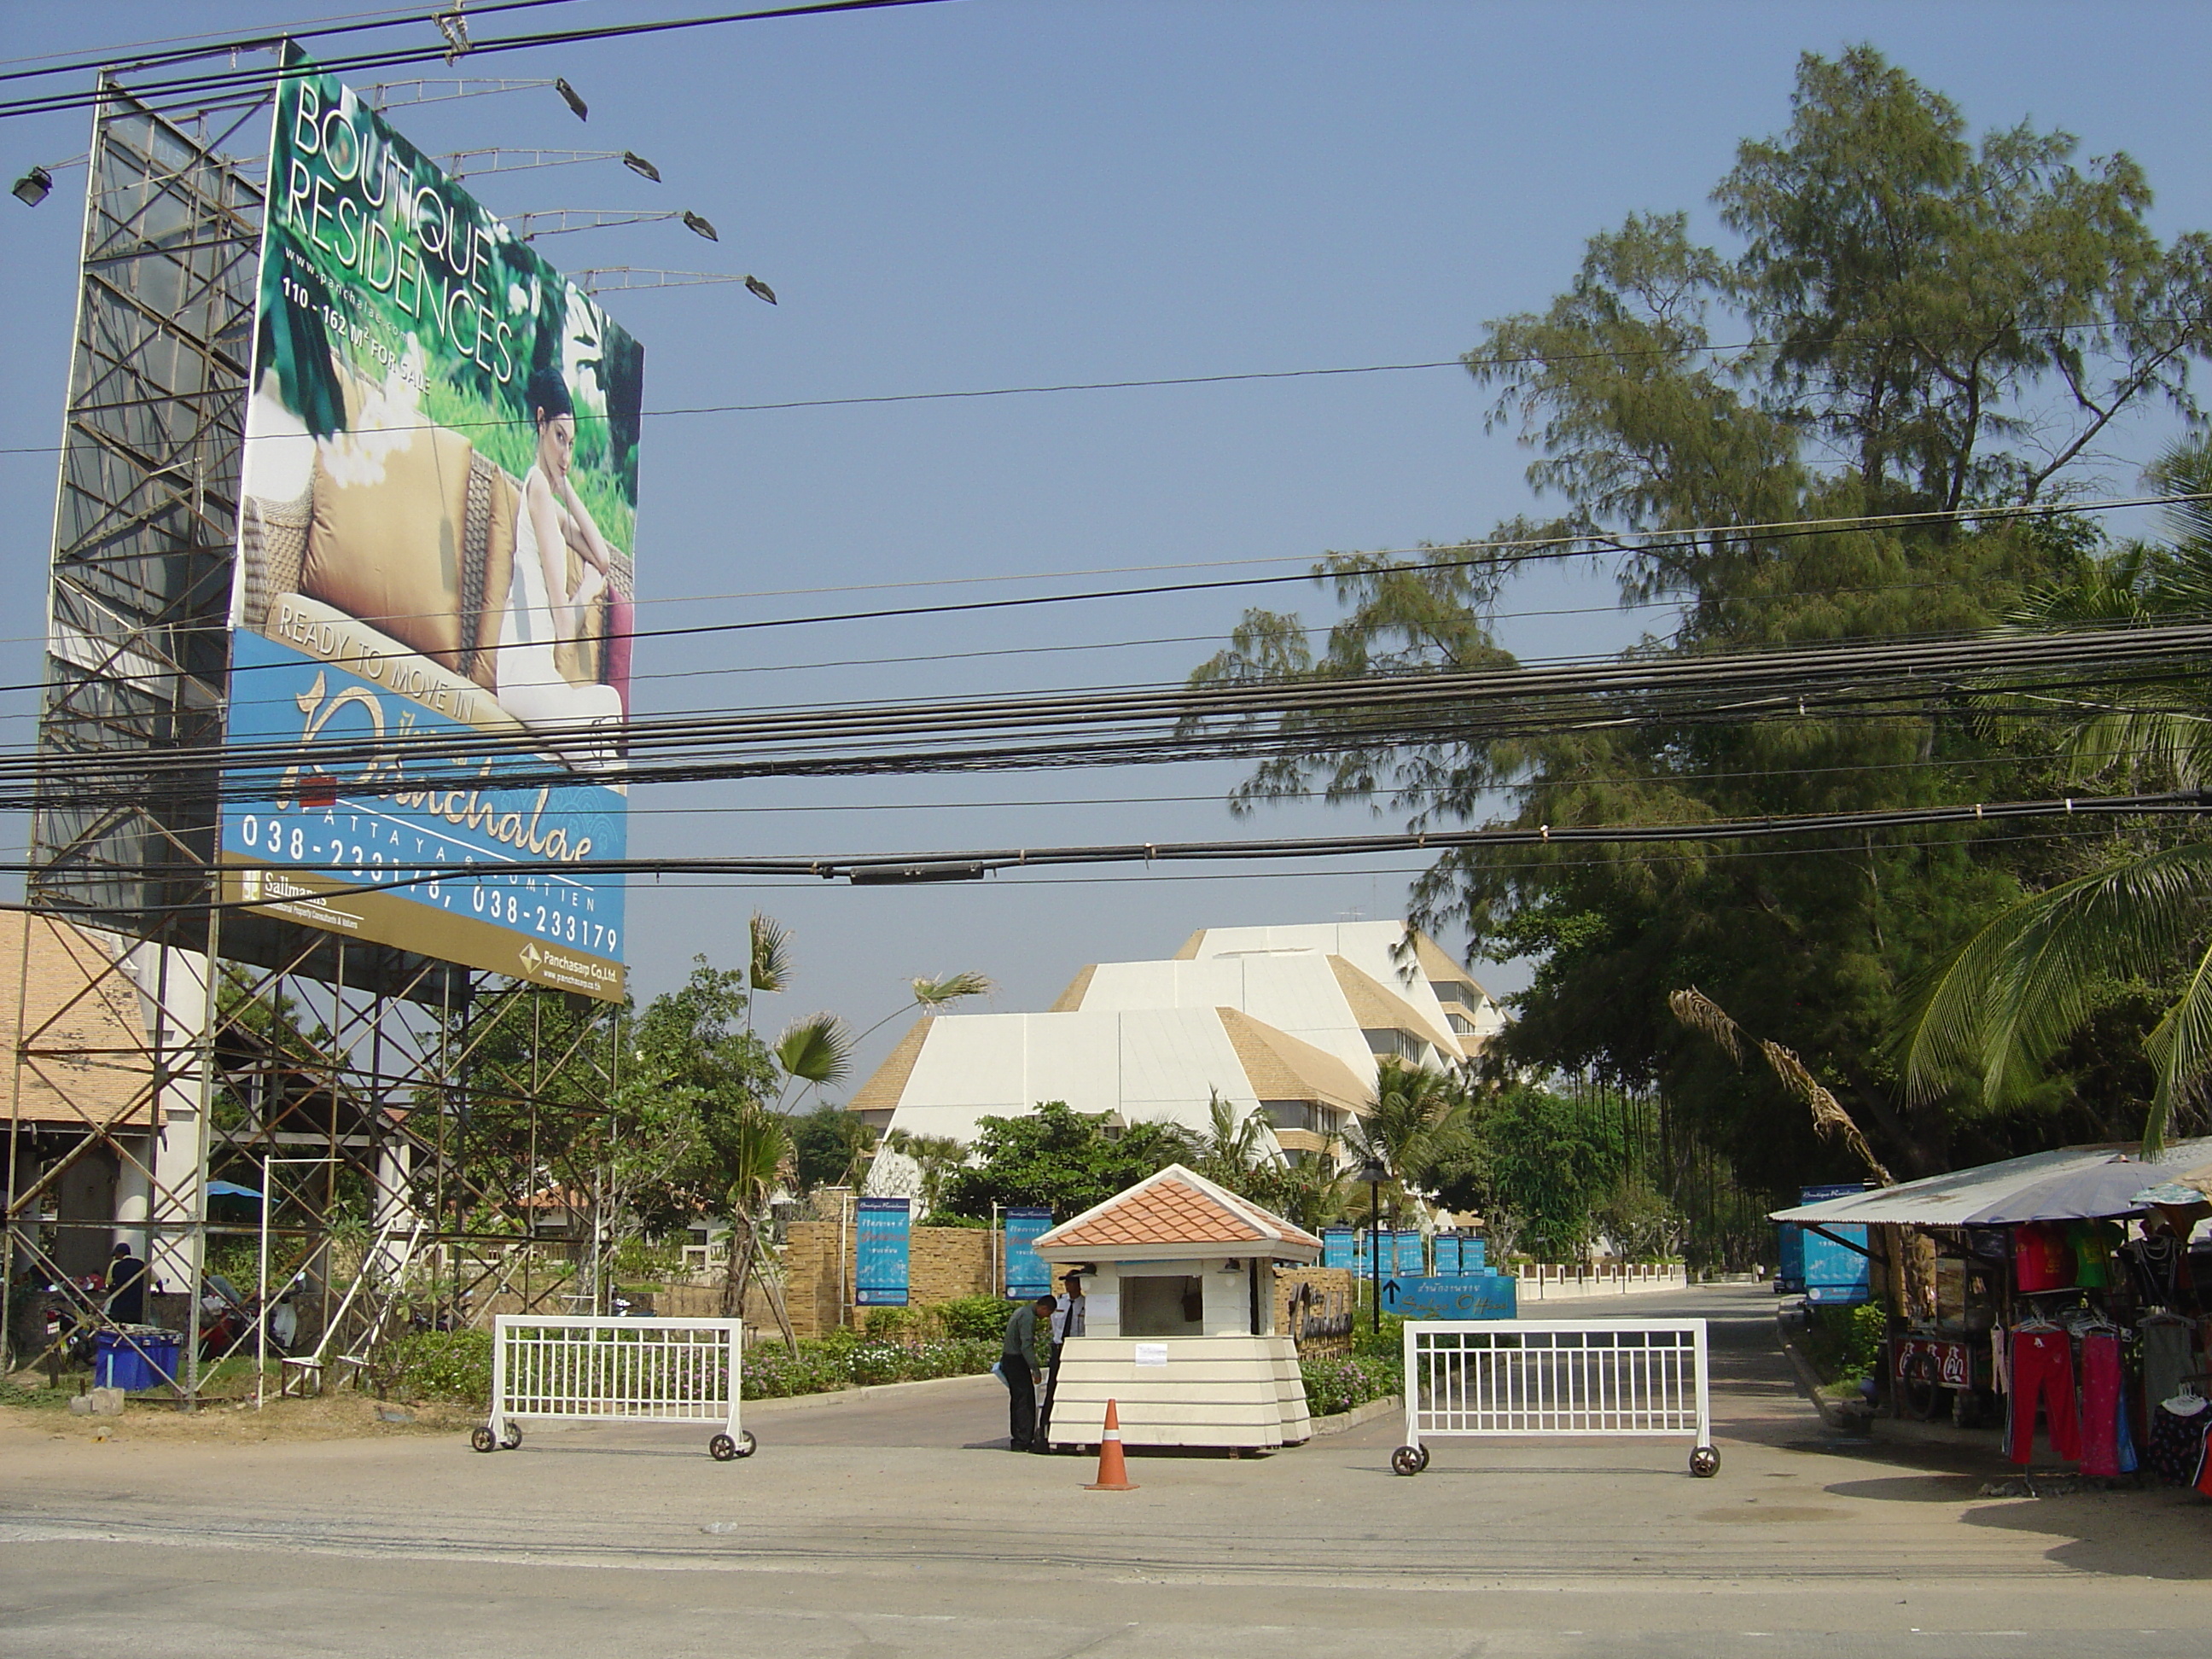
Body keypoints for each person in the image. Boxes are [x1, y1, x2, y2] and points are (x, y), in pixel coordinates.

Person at [497, 367, 626, 769]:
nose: (566, 454)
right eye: (558, 438)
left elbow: (601, 558)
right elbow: (565, 633)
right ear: (540, 422)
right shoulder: (535, 489)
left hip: (536, 676)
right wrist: (587, 590)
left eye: (571, 444)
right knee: (598, 759)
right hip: (523, 674)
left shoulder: (544, 497)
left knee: (610, 702)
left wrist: (566, 483)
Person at [1000, 1294, 1054, 1452]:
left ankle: (1018, 1438)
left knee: (1017, 1399)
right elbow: (1026, 1345)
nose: (1045, 1318)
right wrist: (1035, 1369)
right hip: (1017, 1360)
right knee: (1025, 1400)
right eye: (1048, 1314)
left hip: (1009, 1359)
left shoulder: (1021, 1311)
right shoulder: (1028, 1317)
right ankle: (1023, 1439)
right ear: (1043, 1308)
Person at [105, 1242, 148, 1326]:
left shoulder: (116, 1265)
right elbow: (156, 1280)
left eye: (116, 1255)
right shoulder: (141, 1264)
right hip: (137, 1308)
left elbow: (109, 1283)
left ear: (120, 1253)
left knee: (119, 1331)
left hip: (119, 1308)